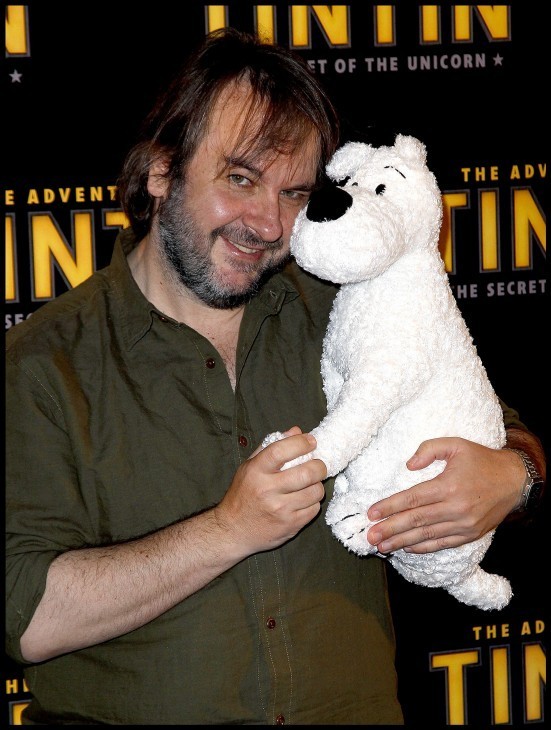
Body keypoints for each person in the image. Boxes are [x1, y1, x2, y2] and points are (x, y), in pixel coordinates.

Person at [5, 28, 546, 726]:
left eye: (293, 193)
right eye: (239, 179)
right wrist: (229, 530)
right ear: (162, 172)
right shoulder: (45, 366)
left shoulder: (346, 304)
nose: (266, 223)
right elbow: (26, 615)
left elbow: (501, 429)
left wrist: (511, 478)